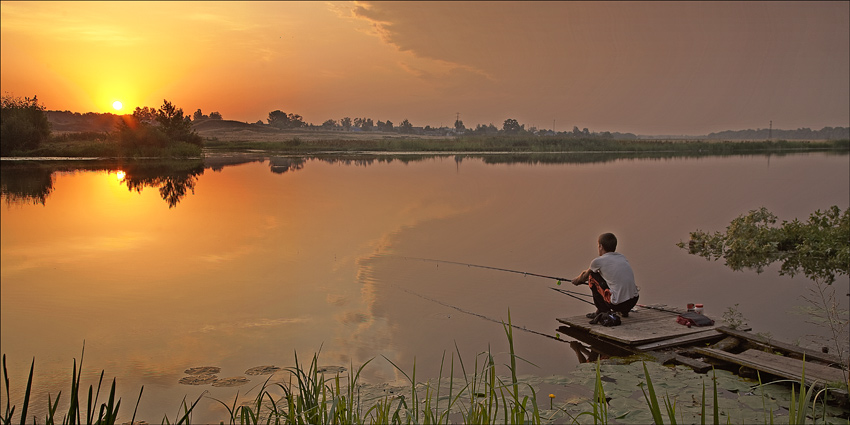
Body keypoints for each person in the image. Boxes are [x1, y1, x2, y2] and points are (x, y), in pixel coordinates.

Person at [572, 233, 639, 323]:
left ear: (600, 246)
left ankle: (602, 311)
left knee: (592, 277)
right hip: (633, 301)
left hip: (617, 304)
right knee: (612, 281)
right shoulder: (622, 257)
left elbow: (585, 277)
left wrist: (576, 281)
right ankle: (624, 312)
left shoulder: (598, 261)